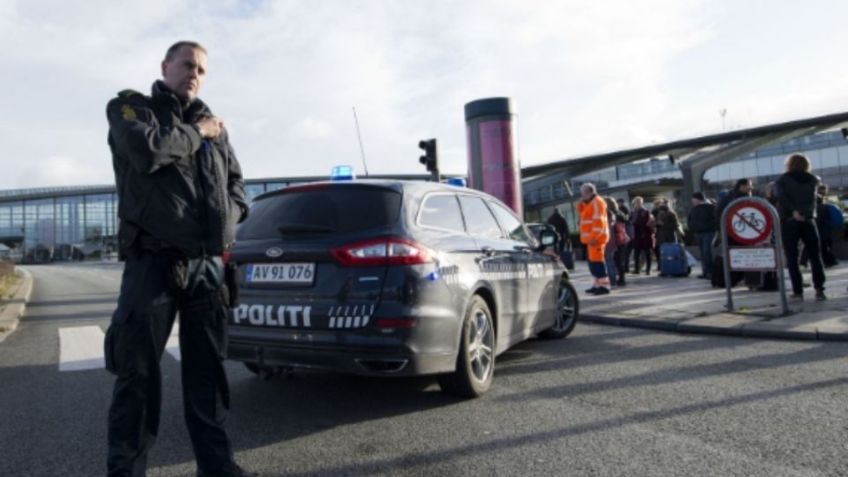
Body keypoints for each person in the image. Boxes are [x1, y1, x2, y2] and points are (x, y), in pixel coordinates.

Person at [104, 41, 257, 477]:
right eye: (187, 64)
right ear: (165, 66)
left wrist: (231, 214)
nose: (194, 74)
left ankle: (217, 467)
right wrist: (200, 133)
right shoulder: (132, 109)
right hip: (153, 263)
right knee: (138, 378)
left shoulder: (215, 127)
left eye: (202, 69)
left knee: (207, 377)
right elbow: (146, 151)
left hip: (207, 267)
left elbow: (237, 185)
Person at [774, 153, 826, 301]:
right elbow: (813, 200)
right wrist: (807, 214)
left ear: (789, 164)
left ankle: (798, 291)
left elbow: (781, 197)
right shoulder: (812, 179)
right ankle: (819, 290)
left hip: (789, 221)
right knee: (815, 256)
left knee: (792, 257)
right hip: (809, 220)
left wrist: (793, 211)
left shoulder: (782, 180)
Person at [577, 183, 611, 295]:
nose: (582, 195)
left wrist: (594, 237)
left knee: (597, 263)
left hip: (596, 239)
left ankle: (604, 287)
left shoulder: (597, 202)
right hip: (592, 239)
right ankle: (597, 285)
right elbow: (584, 214)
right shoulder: (591, 202)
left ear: (590, 192)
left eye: (584, 193)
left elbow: (598, 222)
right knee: (593, 263)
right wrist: (580, 204)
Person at [687, 192, 716, 279]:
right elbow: (690, 220)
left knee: (706, 252)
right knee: (703, 254)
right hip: (699, 233)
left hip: (708, 232)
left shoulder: (710, 207)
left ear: (698, 199)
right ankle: (705, 272)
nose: (692, 201)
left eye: (693, 199)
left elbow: (715, 219)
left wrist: (711, 227)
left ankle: (710, 272)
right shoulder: (694, 209)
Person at [607, 197, 629, 286]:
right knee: (619, 260)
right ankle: (621, 278)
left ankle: (621, 279)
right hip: (621, 238)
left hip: (616, 239)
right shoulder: (619, 212)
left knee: (617, 260)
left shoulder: (611, 213)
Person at [630, 196, 655, 275]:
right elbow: (629, 221)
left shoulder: (645, 211)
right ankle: (637, 269)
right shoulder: (633, 212)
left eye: (639, 202)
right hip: (636, 235)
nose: (637, 204)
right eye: (636, 203)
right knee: (636, 253)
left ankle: (648, 269)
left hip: (645, 234)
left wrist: (634, 223)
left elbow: (643, 222)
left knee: (647, 252)